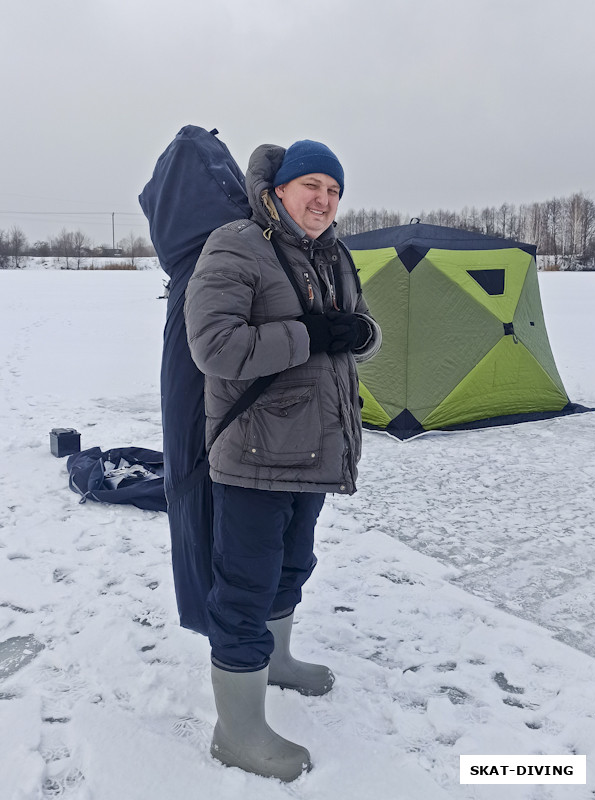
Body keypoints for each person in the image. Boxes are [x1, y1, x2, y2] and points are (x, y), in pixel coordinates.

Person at [184, 139, 382, 781]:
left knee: (294, 563)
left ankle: (279, 659)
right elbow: (214, 348)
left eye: (334, 191)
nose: (323, 201)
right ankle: (235, 731)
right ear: (278, 190)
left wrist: (362, 334)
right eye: (312, 187)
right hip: (253, 452)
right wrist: (309, 335)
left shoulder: (333, 252)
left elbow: (357, 329)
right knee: (243, 587)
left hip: (317, 447)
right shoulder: (237, 244)